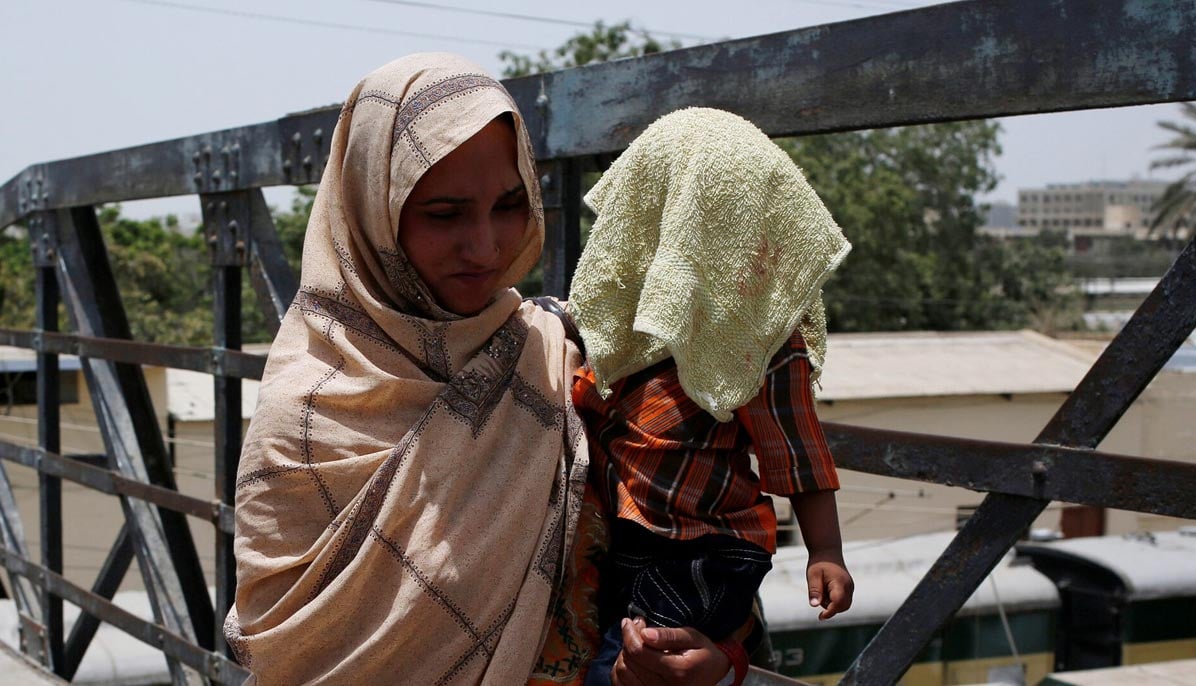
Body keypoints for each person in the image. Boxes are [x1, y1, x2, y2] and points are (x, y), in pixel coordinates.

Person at [225, 54, 731, 685]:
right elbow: (292, 652)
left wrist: (713, 661)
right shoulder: (303, 421)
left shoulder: (559, 355)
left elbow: (695, 534)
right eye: (445, 214)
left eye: (510, 203)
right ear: (371, 212)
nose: (488, 246)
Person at [567, 108, 856, 685]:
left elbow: (798, 453)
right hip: (627, 534)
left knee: (637, 661)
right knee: (614, 646)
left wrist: (825, 551)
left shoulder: (760, 340)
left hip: (703, 552)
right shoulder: (618, 320)